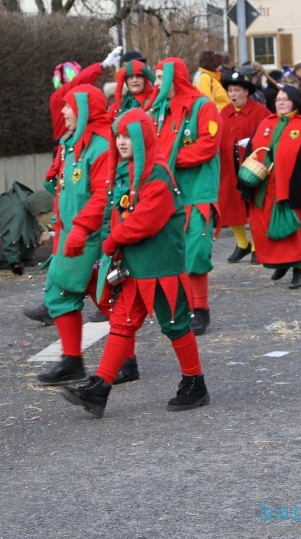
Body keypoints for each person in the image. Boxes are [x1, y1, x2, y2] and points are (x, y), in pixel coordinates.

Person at [60, 109, 209, 417]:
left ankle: (195, 383)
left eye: (128, 136)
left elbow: (145, 221)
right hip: (134, 265)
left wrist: (112, 241)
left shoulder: (156, 173)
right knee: (122, 323)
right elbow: (111, 209)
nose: (121, 141)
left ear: (142, 138)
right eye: (118, 136)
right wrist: (88, 231)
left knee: (175, 325)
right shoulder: (125, 172)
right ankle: (99, 389)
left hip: (160, 266)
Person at [34, 85, 115, 385]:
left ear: (84, 110)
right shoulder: (73, 141)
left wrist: (80, 229)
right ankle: (72, 361)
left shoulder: (102, 145)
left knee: (108, 301)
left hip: (92, 237)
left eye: (68, 106)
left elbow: (101, 196)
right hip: (73, 236)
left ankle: (123, 360)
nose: (63, 111)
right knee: (62, 294)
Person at [149, 57, 222, 334]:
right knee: (173, 253)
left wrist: (170, 159)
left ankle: (201, 309)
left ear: (172, 78)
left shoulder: (203, 106)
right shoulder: (159, 110)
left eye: (159, 78)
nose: (155, 84)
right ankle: (184, 308)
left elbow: (208, 145)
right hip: (168, 192)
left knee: (197, 251)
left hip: (198, 191)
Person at [240, 86, 301, 289]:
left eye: (286, 99)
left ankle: (300, 271)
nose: (280, 102)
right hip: (267, 188)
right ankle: (281, 263)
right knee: (266, 227)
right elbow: (253, 151)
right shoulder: (266, 123)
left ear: (295, 102)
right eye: (278, 99)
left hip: (296, 189)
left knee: (299, 230)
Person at [218, 70, 268, 263]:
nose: (233, 94)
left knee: (253, 208)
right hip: (229, 170)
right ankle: (242, 243)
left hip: (252, 169)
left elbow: (268, 137)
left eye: (237, 90)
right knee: (230, 207)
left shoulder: (260, 112)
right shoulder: (224, 112)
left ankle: (257, 245)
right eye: (230, 90)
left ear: (246, 92)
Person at [50, 49, 122, 143]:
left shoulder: (55, 96)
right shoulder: (61, 94)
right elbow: (81, 80)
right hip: (69, 143)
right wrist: (103, 65)